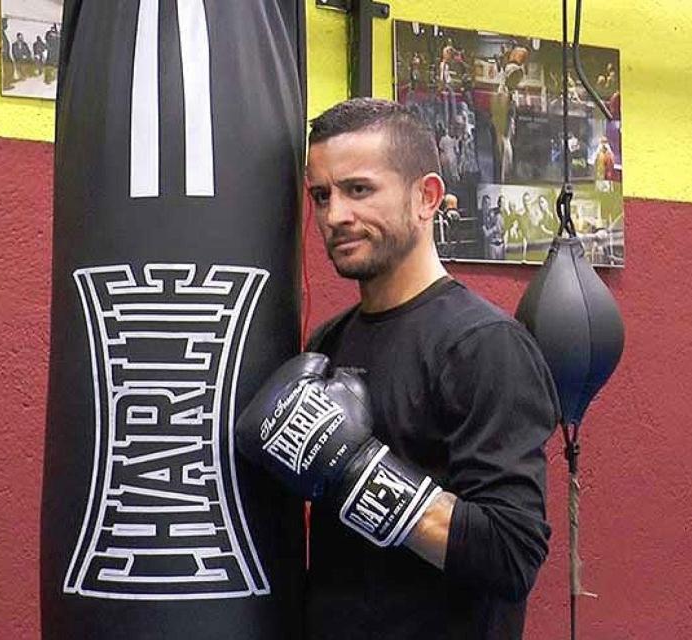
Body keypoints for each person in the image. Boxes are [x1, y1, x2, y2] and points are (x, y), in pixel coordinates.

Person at [235, 98, 559, 639]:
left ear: (425, 197)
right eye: (322, 195)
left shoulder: (484, 346)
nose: (336, 215)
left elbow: (511, 553)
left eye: (359, 190)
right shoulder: (328, 342)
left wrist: (355, 469)